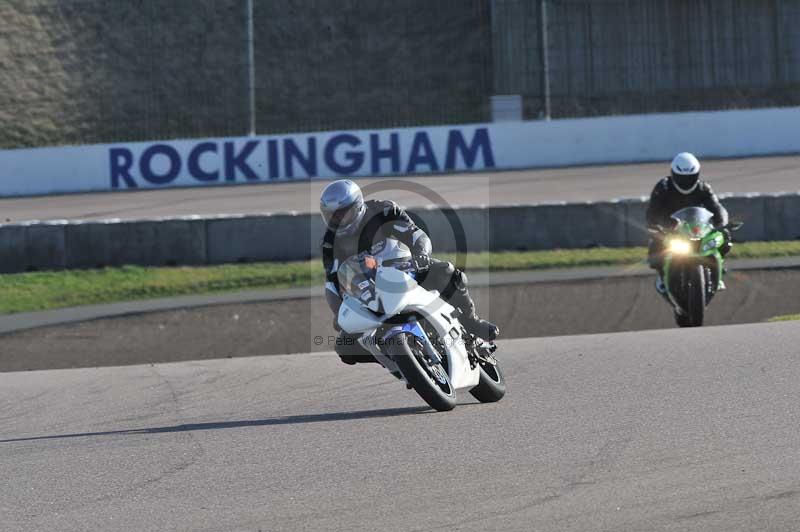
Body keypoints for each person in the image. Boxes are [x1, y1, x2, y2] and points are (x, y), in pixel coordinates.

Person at [319, 179, 499, 365]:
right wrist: (338, 311)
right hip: (370, 292)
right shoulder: (329, 244)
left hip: (405, 268)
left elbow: (415, 234)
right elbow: (332, 283)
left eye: (342, 214)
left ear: (357, 206)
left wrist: (420, 255)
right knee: (345, 347)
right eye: (332, 216)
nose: (338, 221)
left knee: (448, 272)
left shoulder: (383, 211)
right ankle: (398, 359)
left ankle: (471, 322)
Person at [645, 152, 730, 293]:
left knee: (724, 238)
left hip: (697, 227)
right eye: (682, 178)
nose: (686, 181)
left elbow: (716, 207)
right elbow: (653, 210)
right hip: (670, 228)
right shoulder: (663, 187)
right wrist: (655, 225)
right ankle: (662, 274)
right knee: (655, 246)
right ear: (673, 174)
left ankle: (717, 269)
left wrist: (722, 224)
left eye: (690, 177)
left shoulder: (703, 188)